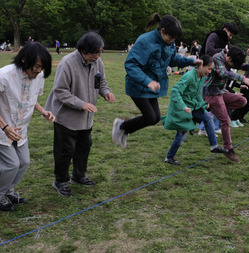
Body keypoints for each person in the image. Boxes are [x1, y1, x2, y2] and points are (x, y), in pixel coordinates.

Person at [112, 14, 202, 149]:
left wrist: (191, 61)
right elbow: (131, 65)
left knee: (155, 118)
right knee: (149, 117)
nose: (172, 41)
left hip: (153, 86)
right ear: (162, 31)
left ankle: (125, 129)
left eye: (174, 39)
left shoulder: (169, 42)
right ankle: (121, 126)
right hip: (138, 85)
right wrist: (147, 81)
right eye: (170, 38)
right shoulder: (145, 41)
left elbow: (172, 59)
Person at [45, 32, 116, 197]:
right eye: (94, 53)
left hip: (86, 118)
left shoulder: (97, 62)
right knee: (65, 150)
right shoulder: (67, 63)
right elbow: (60, 91)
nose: (98, 56)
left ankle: (79, 175)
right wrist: (81, 104)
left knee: (84, 147)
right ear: (83, 51)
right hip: (66, 117)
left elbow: (100, 82)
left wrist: (106, 92)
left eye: (100, 52)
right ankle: (60, 180)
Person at [0, 43, 54, 211]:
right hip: (3, 128)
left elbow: (31, 98)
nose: (39, 70)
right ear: (24, 60)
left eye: (42, 67)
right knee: (11, 164)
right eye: (37, 66)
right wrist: (5, 127)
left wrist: (43, 111)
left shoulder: (38, 77)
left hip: (20, 129)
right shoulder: (5, 75)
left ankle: (8, 192)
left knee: (24, 162)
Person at [161, 55, 228, 165]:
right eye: (209, 68)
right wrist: (183, 107)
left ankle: (214, 146)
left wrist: (203, 104)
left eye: (211, 69)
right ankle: (169, 157)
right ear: (201, 65)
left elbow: (196, 95)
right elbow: (175, 91)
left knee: (207, 117)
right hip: (182, 109)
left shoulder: (201, 77)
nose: (210, 72)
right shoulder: (189, 76)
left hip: (192, 106)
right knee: (181, 135)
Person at [202, 46, 249, 163]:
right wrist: (243, 79)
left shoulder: (229, 58)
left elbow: (236, 65)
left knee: (242, 101)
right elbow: (224, 73)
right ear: (229, 57)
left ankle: (217, 109)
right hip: (211, 93)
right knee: (226, 121)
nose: (232, 66)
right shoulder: (217, 58)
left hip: (221, 92)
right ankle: (228, 149)